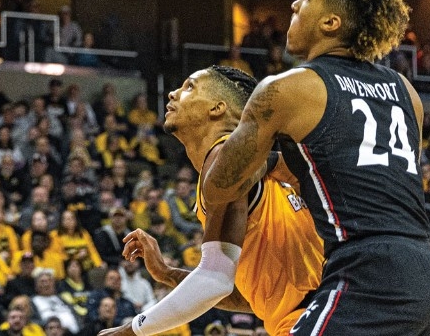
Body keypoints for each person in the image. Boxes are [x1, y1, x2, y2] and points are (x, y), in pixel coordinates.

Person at [202, 0, 430, 335]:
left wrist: (235, 150)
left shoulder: (289, 88)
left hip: (366, 269)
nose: (293, 5)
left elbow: (219, 188)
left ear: (331, 24)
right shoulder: (407, 93)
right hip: (421, 264)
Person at [106, 65, 324, 336]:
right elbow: (253, 299)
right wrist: (167, 273)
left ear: (217, 108)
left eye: (189, 87)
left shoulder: (224, 159)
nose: (173, 93)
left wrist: (129, 331)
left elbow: (214, 281)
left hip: (316, 319)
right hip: (315, 315)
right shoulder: (249, 171)